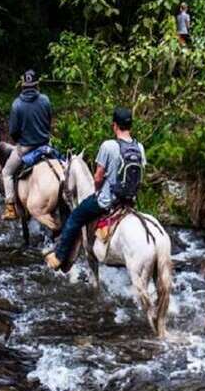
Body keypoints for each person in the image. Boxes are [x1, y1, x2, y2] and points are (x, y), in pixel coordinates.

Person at [45, 107, 146, 271]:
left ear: (114, 125)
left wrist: (98, 189)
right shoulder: (139, 147)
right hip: (129, 201)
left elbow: (98, 177)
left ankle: (58, 256)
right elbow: (140, 176)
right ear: (130, 126)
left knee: (76, 216)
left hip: (107, 201)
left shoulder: (108, 146)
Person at [0, 69, 53, 220]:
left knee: (7, 173)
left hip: (26, 148)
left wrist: (19, 142)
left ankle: (10, 207)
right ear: (36, 85)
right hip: (45, 144)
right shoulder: (45, 100)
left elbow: (13, 131)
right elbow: (49, 123)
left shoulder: (17, 104)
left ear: (23, 85)